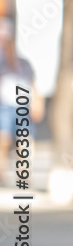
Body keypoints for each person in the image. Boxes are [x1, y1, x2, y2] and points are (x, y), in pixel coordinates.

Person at [0, 17, 43, 183]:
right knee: (3, 141)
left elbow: (33, 84)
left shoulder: (24, 64)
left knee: (24, 141)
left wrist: (37, 103)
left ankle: (24, 174)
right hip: (4, 106)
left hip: (22, 106)